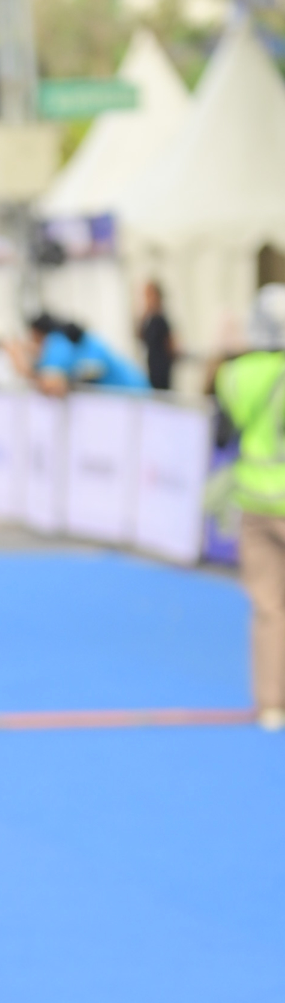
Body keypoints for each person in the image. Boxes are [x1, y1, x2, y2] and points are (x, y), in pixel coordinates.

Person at [215, 295, 285, 730]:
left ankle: (271, 705)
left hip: (255, 498)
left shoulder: (235, 374)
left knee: (267, 606)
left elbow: (223, 435)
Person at [27, 313, 149, 394]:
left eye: (33, 338)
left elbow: (51, 382)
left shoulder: (58, 342)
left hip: (133, 396)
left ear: (38, 334)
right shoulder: (79, 341)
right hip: (136, 390)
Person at [137, 281, 176, 391]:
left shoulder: (161, 319)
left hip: (162, 365)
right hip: (152, 363)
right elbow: (140, 336)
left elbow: (170, 343)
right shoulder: (148, 319)